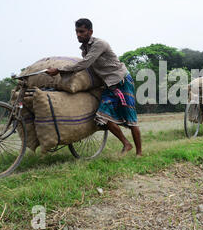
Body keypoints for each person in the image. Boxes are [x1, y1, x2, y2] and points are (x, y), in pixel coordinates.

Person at [46, 18, 142, 156]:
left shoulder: (99, 44)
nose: (78, 34)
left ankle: (139, 153)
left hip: (121, 81)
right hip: (108, 85)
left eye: (82, 31)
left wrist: (59, 70)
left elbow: (84, 64)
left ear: (90, 32)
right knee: (102, 117)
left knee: (131, 117)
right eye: (76, 32)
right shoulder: (84, 50)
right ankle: (127, 144)